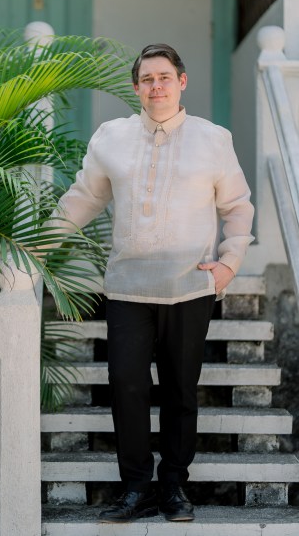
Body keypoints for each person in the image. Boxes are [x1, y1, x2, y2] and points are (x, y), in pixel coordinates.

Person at [47, 44, 254, 523]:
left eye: (164, 77)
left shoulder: (214, 139)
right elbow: (82, 199)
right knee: (127, 385)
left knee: (181, 390)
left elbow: (238, 206)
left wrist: (230, 262)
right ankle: (136, 487)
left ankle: (174, 487)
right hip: (126, 288)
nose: (155, 86)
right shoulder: (111, 137)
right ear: (136, 87)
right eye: (146, 79)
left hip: (189, 287)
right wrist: (35, 249)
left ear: (182, 82)